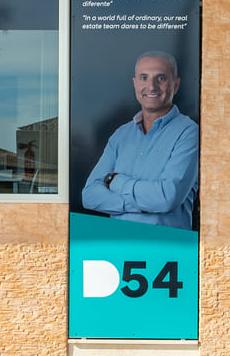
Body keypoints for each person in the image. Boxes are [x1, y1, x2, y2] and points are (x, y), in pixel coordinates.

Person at [82, 51, 199, 229]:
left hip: (165, 244)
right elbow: (89, 196)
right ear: (135, 84)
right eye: (144, 78)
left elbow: (167, 198)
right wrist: (142, 205)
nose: (151, 86)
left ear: (175, 85)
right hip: (118, 243)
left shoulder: (188, 132)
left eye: (161, 78)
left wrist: (117, 181)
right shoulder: (121, 135)